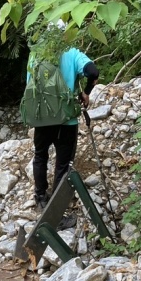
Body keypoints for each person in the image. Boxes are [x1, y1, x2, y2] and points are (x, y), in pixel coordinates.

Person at [27, 33, 99, 208]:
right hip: (66, 121)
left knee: (40, 156)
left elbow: (29, 85)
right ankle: (56, 208)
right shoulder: (72, 53)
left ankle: (41, 197)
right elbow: (93, 72)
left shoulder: (35, 55)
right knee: (63, 164)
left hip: (41, 117)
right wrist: (86, 92)